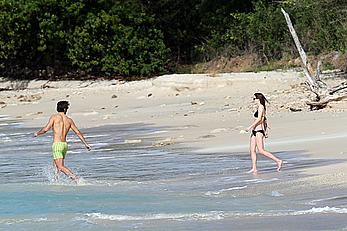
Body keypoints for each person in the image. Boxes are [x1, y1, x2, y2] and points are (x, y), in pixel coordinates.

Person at [34, 101, 91, 181]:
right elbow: (78, 132)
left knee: (60, 166)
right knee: (55, 163)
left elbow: (45, 129)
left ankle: (76, 179)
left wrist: (37, 133)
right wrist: (86, 144)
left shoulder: (54, 117)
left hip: (57, 145)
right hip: (64, 145)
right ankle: (55, 180)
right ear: (65, 109)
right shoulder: (69, 120)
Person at [245, 93, 283, 174]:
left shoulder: (261, 107)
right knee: (252, 150)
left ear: (258, 99)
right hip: (255, 131)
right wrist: (266, 129)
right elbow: (265, 119)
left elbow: (259, 119)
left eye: (254, 98)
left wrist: (250, 127)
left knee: (261, 150)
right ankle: (254, 168)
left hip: (259, 131)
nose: (253, 100)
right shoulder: (259, 107)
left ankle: (278, 160)